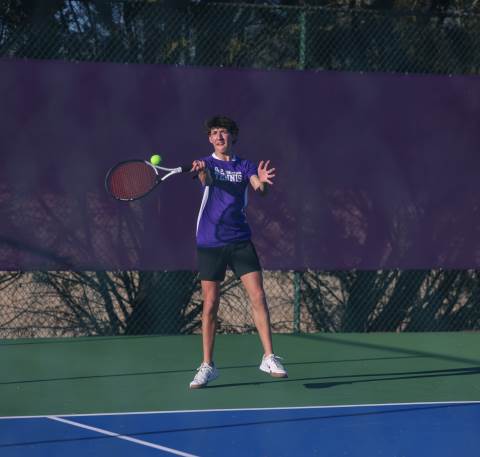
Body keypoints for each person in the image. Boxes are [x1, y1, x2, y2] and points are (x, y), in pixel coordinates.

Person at [189, 115, 288, 389]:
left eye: (224, 132)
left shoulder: (245, 165)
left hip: (240, 240)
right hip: (210, 242)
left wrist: (262, 182)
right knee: (210, 304)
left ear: (232, 136)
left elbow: (259, 188)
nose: (219, 136)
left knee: (258, 296)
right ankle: (207, 366)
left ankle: (269, 357)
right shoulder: (206, 163)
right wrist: (201, 169)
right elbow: (205, 179)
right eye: (214, 133)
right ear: (210, 139)